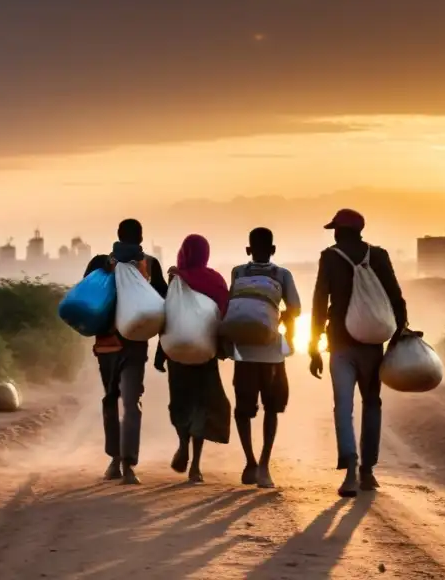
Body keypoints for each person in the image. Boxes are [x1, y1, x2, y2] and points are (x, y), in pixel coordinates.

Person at [310, 209, 408, 497]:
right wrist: (398, 336)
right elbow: (396, 298)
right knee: (372, 402)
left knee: (343, 406)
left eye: (335, 229)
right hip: (372, 344)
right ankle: (368, 471)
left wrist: (313, 346)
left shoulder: (329, 257)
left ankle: (351, 468)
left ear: (340, 231)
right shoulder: (379, 255)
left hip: (339, 342)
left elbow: (319, 301)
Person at [84, 218, 168, 485]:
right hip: (135, 346)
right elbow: (163, 306)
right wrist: (162, 349)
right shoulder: (151, 265)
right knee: (132, 403)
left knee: (111, 399)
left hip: (107, 344)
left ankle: (115, 462)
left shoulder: (100, 263)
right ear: (141, 238)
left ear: (118, 236)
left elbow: (87, 297)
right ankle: (129, 465)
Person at [153, 234, 231, 484]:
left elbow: (169, 318)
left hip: (177, 355)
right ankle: (195, 465)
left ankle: (182, 445)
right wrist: (221, 348)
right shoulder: (216, 280)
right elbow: (223, 314)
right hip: (205, 354)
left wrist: (160, 353)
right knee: (201, 406)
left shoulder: (177, 279)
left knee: (180, 403)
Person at [229, 227, 301, 489]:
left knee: (243, 410)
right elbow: (295, 309)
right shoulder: (282, 275)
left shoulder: (238, 272)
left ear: (248, 250)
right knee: (271, 409)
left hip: (244, 352)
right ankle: (264, 465)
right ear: (273, 250)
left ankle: (249, 462)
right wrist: (283, 322)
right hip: (272, 354)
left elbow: (233, 306)